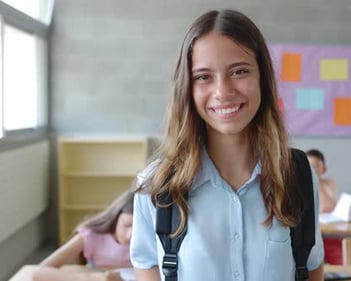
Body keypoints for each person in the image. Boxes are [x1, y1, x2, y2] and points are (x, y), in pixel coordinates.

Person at [130, 9, 324, 281]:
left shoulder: (298, 175)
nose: (223, 92)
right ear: (187, 88)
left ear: (263, 79)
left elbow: (311, 265)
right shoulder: (156, 185)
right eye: (203, 77)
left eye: (239, 71)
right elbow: (146, 262)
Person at [32, 189, 135, 281]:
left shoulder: (149, 240)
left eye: (139, 230)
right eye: (126, 225)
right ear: (115, 218)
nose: (130, 235)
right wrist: (97, 278)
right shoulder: (91, 236)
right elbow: (39, 272)